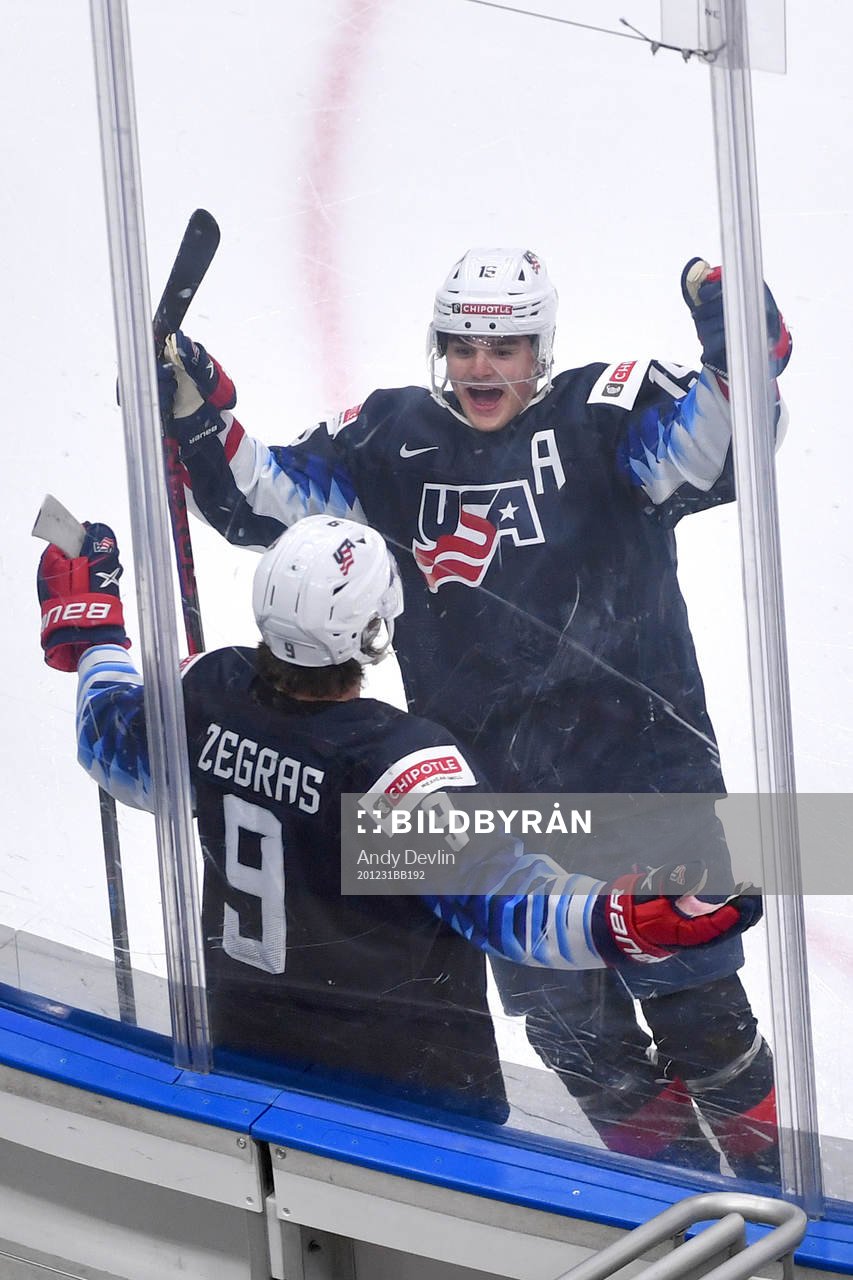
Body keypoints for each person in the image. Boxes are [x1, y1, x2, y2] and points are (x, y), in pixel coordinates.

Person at [155, 249, 791, 1177]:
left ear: (541, 346)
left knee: (706, 1024)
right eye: (461, 345)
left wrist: (737, 354)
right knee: (586, 1051)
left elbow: (719, 453)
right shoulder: (386, 438)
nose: (480, 367)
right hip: (492, 810)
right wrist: (199, 417)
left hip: (647, 784)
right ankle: (675, 1206)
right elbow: (267, 505)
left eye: (504, 346)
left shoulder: (604, 413)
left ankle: (775, 1207)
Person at [35, 514, 759, 1124]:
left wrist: (98, 638)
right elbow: (506, 906)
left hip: (248, 1062)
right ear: (375, 630)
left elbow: (110, 739)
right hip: (408, 1095)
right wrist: (627, 919)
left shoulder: (210, 693)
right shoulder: (391, 766)